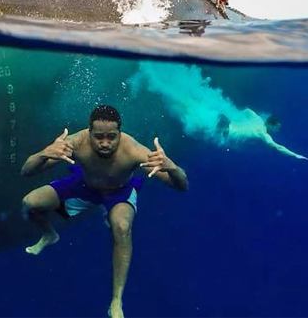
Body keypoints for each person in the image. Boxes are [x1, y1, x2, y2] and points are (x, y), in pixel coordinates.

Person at [21, 105, 188, 318]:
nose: (105, 143)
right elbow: (26, 171)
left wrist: (173, 168)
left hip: (119, 192)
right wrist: (43, 154)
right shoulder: (76, 143)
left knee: (122, 227)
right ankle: (49, 234)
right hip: (84, 185)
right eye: (99, 137)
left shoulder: (134, 150)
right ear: (89, 132)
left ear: (120, 133)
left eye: (112, 137)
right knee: (30, 203)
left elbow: (182, 186)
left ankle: (116, 300)